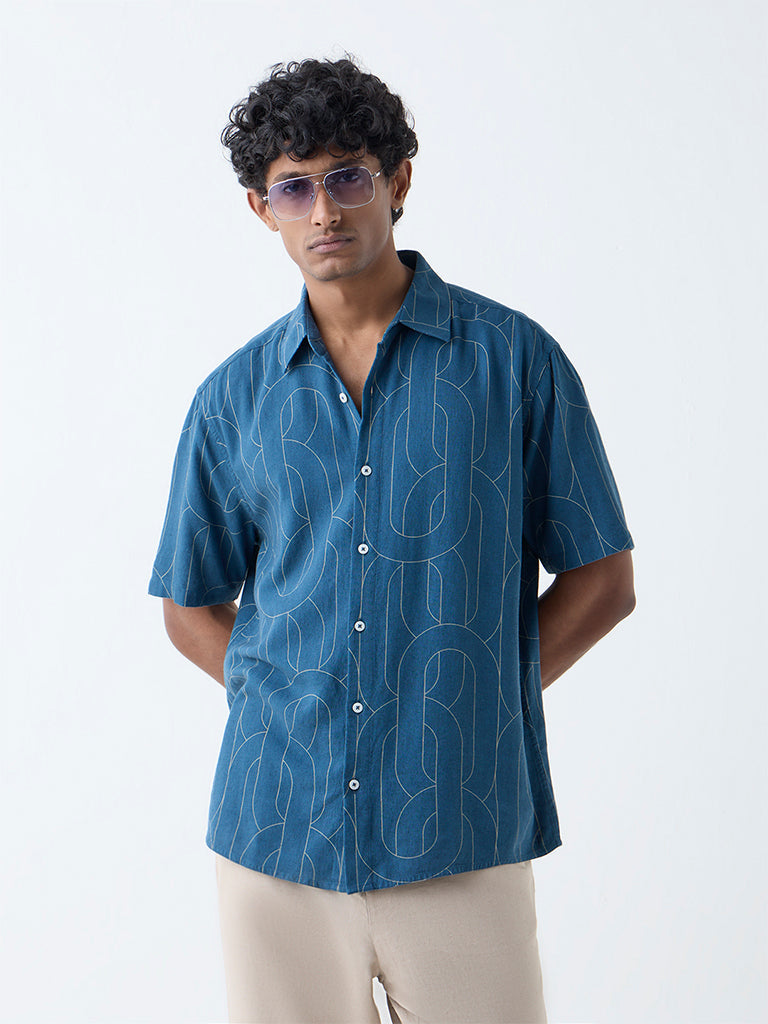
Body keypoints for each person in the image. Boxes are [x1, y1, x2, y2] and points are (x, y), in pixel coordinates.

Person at [148, 55, 636, 1024]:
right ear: (261, 209)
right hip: (275, 833)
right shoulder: (234, 398)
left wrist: (479, 699)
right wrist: (291, 707)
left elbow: (604, 580)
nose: (323, 210)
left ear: (398, 180)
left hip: (458, 825)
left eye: (347, 176)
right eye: (294, 187)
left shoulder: (513, 362)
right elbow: (188, 602)